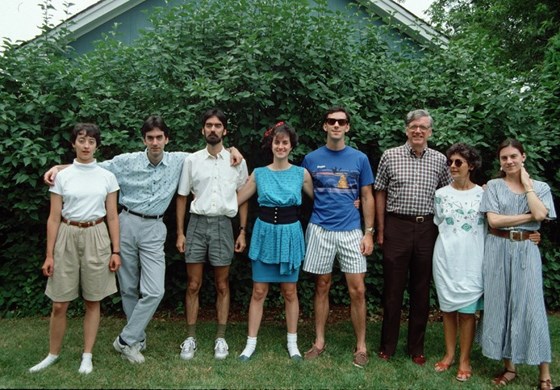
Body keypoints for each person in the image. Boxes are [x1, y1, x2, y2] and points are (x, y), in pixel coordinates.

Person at [43, 116, 243, 364]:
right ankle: (136, 339)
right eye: (150, 138)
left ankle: (126, 339)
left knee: (154, 290)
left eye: (160, 137)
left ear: (167, 139)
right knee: (127, 287)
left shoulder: (181, 160)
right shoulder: (126, 162)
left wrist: (234, 149)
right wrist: (59, 168)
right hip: (126, 223)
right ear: (144, 140)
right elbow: (91, 165)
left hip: (154, 227)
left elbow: (212, 152)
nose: (155, 142)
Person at [30, 123, 121, 374]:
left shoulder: (107, 176)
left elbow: (113, 216)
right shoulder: (62, 176)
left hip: (97, 235)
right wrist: (49, 255)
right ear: (73, 143)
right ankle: (52, 354)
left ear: (97, 146)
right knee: (60, 303)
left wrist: (116, 250)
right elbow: (53, 217)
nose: (86, 145)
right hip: (67, 236)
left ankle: (87, 355)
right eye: (81, 140)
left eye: (91, 141)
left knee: (93, 300)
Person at [374, 109, 452, 365]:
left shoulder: (440, 160)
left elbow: (447, 195)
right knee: (393, 290)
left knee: (421, 290)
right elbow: (380, 193)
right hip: (397, 226)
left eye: (423, 127)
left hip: (427, 228)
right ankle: (388, 345)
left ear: (430, 131)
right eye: (414, 126)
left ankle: (416, 348)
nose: (418, 131)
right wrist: (381, 230)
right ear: (406, 129)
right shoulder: (390, 156)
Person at [301, 106, 375, 368]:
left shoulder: (360, 159)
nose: (336, 125)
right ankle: (319, 342)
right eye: (331, 121)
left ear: (347, 127)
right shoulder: (310, 159)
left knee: (358, 290)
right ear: (324, 126)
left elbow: (367, 196)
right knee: (321, 286)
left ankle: (361, 346)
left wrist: (369, 232)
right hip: (321, 229)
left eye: (341, 122)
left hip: (351, 230)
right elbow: (309, 190)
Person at [479, 138, 555, 390]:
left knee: (532, 308)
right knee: (501, 305)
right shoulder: (493, 185)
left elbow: (542, 214)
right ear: (499, 162)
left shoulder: (540, 187)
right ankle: (509, 368)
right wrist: (529, 216)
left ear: (523, 157)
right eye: (504, 158)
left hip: (526, 251)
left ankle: (544, 373)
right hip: (497, 249)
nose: (509, 161)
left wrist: (527, 186)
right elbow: (494, 222)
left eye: (513, 156)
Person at [236, 122, 313, 362]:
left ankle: (293, 343)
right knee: (259, 291)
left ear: (291, 146)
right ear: (271, 145)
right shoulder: (259, 173)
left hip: (290, 235)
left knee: (290, 291)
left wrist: (351, 203)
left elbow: (322, 199)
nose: (280, 146)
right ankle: (250, 344)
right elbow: (235, 200)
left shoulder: (302, 173)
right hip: (264, 234)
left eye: (285, 142)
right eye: (277, 142)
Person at [175, 108, 249, 361]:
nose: (213, 129)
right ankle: (190, 338)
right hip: (196, 224)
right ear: (203, 130)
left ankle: (221, 338)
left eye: (218, 125)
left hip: (223, 226)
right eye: (209, 125)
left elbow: (244, 198)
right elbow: (182, 196)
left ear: (225, 131)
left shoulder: (236, 160)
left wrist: (242, 231)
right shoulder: (191, 160)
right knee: (193, 284)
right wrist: (180, 233)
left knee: (221, 284)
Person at [432, 143, 484, 381]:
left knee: (467, 313)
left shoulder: (483, 195)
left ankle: (465, 359)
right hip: (445, 258)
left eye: (458, 162)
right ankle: (449, 354)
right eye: (450, 162)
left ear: (470, 166)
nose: (452, 166)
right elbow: (439, 224)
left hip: (473, 259)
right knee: (449, 310)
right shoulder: (441, 194)